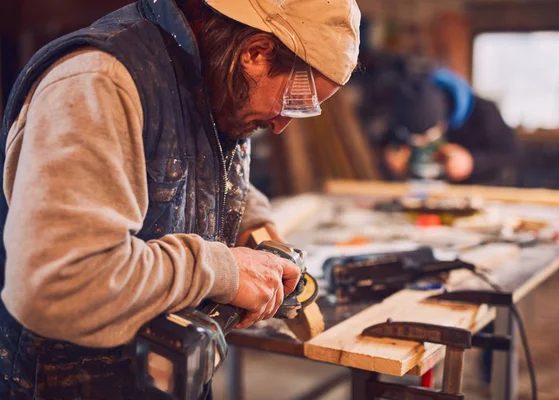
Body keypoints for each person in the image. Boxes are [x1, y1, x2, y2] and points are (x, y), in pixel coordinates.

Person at [0, 0, 360, 398]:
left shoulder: (215, 77)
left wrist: (251, 220)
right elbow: (58, 286)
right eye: (295, 98)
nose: (282, 125)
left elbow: (195, 164)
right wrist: (222, 270)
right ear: (256, 53)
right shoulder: (98, 82)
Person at [358, 63, 520, 185]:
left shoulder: (484, 112)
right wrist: (390, 155)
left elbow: (511, 153)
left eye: (427, 136)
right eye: (413, 138)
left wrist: (472, 162)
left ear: (443, 119)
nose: (421, 143)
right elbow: (386, 142)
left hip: (480, 194)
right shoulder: (405, 105)